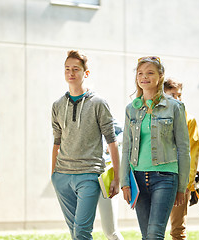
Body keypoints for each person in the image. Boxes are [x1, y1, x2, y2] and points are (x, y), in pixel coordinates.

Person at [51, 50, 120, 240]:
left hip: (89, 175)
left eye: (75, 69)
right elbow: (57, 141)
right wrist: (53, 174)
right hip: (62, 176)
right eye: (67, 69)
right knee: (74, 232)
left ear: (85, 73)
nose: (71, 73)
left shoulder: (99, 103)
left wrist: (116, 177)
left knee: (82, 231)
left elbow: (112, 142)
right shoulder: (57, 105)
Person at [120, 56, 190, 240]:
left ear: (160, 76)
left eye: (150, 73)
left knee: (154, 234)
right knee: (146, 236)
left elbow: (183, 148)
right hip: (138, 179)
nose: (144, 77)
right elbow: (126, 146)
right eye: (140, 73)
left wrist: (182, 186)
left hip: (165, 178)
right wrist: (124, 182)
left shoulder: (175, 107)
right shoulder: (131, 109)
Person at [163, 78, 199, 240]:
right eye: (172, 95)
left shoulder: (189, 120)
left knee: (178, 229)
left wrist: (188, 182)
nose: (177, 99)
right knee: (154, 227)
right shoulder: (155, 116)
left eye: (179, 95)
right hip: (159, 178)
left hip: (181, 181)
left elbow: (193, 153)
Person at [98, 121, 124, 240]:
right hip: (82, 175)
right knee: (79, 230)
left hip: (105, 176)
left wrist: (115, 142)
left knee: (111, 232)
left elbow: (124, 131)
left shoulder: (100, 108)